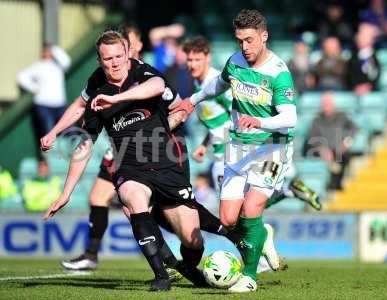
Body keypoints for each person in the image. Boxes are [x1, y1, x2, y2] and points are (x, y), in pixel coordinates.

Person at [43, 30, 206, 291]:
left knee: (193, 240)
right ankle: (161, 275)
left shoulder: (143, 72)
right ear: (99, 60)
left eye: (119, 56)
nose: (114, 63)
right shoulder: (97, 88)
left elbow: (159, 88)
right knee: (132, 199)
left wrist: (116, 99)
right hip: (130, 166)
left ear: (129, 53)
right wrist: (66, 193)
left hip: (165, 158)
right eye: (107, 59)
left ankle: (184, 266)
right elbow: (85, 141)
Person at [170, 9, 300, 292]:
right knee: (229, 219)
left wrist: (261, 121)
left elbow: (290, 117)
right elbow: (217, 84)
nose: (245, 47)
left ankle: (250, 277)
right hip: (239, 148)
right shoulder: (235, 61)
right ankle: (262, 235)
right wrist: (192, 100)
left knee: (252, 208)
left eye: (250, 40)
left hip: (271, 148)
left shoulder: (278, 73)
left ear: (264, 37)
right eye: (240, 40)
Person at [184, 36, 321, 213]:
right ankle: (288, 192)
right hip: (221, 152)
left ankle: (283, 200)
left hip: (234, 152)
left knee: (241, 210)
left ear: (208, 58)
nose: (192, 64)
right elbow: (218, 122)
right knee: (240, 210)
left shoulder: (220, 83)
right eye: (189, 59)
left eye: (197, 59)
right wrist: (204, 144)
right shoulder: (199, 85)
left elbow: (236, 115)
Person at [17, 43, 71, 178]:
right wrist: (35, 88)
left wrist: (55, 49)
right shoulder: (38, 66)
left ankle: (69, 164)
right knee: (48, 137)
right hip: (43, 106)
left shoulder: (58, 66)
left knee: (69, 133)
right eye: (47, 50)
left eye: (50, 50)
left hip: (60, 106)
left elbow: (67, 61)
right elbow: (21, 77)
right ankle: (46, 167)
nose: (48, 53)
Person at [303, 92, 357, 190]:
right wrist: (321, 149)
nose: (326, 106)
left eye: (328, 104)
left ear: (334, 104)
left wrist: (346, 143)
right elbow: (311, 136)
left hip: (339, 151)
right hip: (321, 153)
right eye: (324, 104)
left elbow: (353, 129)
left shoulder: (342, 117)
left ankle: (339, 186)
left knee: (344, 159)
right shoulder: (317, 119)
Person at [347, 26, 381, 96]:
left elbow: (376, 73)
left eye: (365, 38)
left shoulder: (375, 57)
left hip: (372, 89)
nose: (362, 41)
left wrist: (369, 86)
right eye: (360, 38)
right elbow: (350, 73)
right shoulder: (353, 57)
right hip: (356, 89)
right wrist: (357, 86)